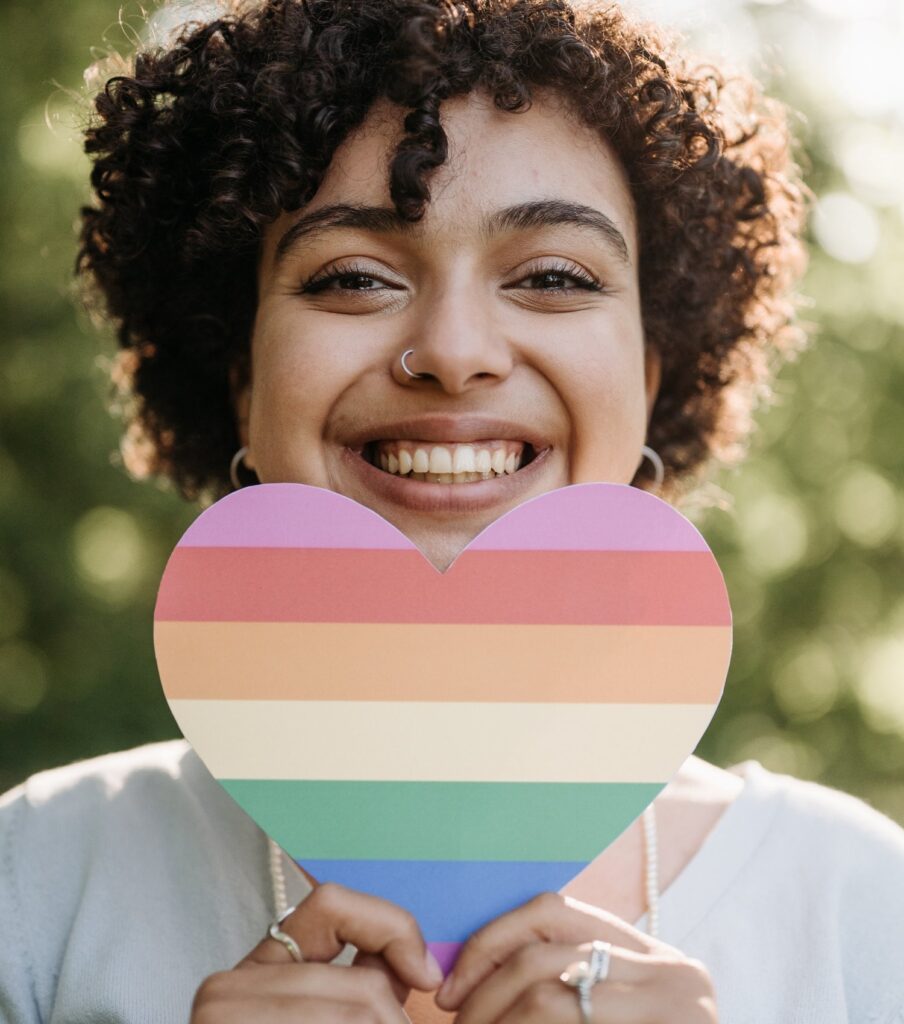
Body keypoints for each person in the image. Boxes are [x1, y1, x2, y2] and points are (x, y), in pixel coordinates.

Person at [2, 0, 903, 1021]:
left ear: (651, 378)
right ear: (242, 381)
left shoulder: (866, 909)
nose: (456, 347)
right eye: (351, 276)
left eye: (555, 275)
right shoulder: (35, 883)